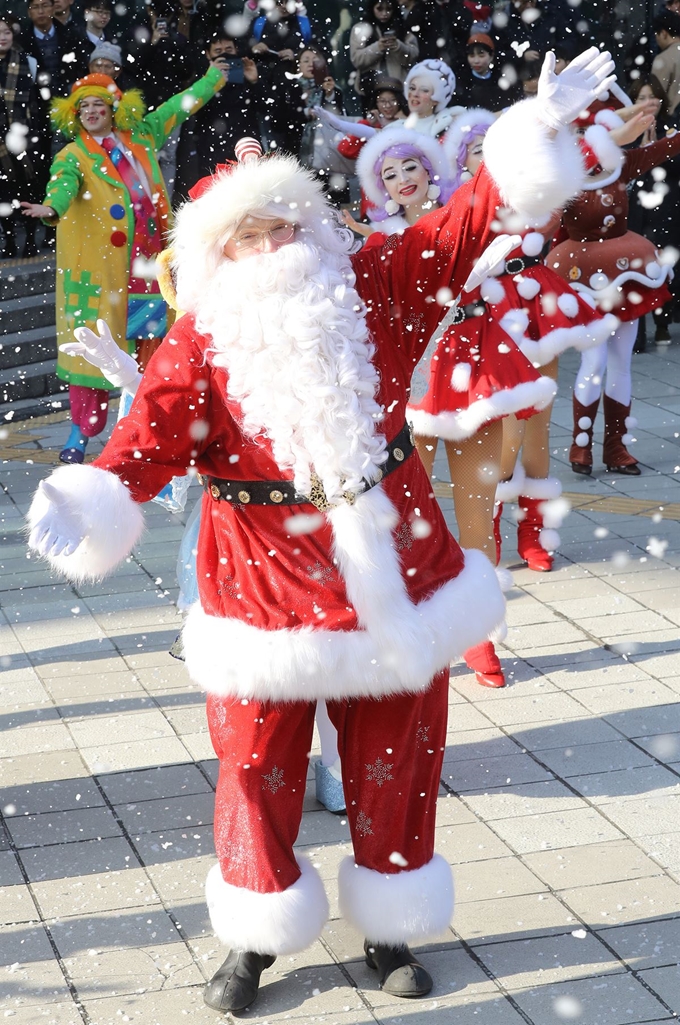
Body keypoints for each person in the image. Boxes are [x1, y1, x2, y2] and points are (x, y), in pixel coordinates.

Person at [26, 47, 616, 1014]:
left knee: (401, 753)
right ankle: (255, 930)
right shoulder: (197, 338)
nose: (268, 244)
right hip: (258, 581)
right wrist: (94, 493)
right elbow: (147, 437)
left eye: (281, 222)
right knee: (254, 764)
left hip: (395, 561)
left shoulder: (376, 284)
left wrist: (529, 139)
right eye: (243, 235)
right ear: (214, 258)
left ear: (314, 224)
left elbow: (465, 223)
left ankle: (389, 917)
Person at [21, 62, 226, 464]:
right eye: (84, 108)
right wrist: (50, 208)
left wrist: (213, 77)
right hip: (102, 274)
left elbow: (179, 106)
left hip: (148, 270)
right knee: (94, 348)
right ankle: (82, 432)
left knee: (151, 347)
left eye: (99, 105)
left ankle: (148, 426)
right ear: (75, 115)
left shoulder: (143, 136)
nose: (92, 112)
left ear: (115, 108)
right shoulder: (73, 155)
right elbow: (62, 186)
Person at [548, 105, 680, 477]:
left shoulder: (622, 162)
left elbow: (666, 148)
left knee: (621, 359)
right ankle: (581, 443)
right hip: (582, 275)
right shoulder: (565, 175)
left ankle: (616, 446)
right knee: (594, 361)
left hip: (627, 272)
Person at [0, 11, 50, 259]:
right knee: (3, 194)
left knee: (28, 189)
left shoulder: (26, 61)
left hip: (24, 137)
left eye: (6, 32)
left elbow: (37, 103)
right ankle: (8, 241)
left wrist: (35, 135)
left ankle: (30, 239)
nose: (3, 37)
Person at [349, 0, 418, 103]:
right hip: (370, 88)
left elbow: (413, 56)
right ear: (372, 8)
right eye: (380, 9)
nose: (384, 14)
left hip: (399, 88)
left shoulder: (402, 27)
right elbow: (356, 59)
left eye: (388, 9)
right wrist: (377, 48)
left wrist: (398, 46)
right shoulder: (361, 29)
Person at [403, 57, 463, 135]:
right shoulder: (393, 129)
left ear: (436, 100)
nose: (415, 94)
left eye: (424, 90)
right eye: (412, 88)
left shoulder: (448, 129)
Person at [653, 10, 680, 116]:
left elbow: (656, 96)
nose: (656, 39)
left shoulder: (663, 59)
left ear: (664, 33)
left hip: (674, 123)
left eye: (656, 34)